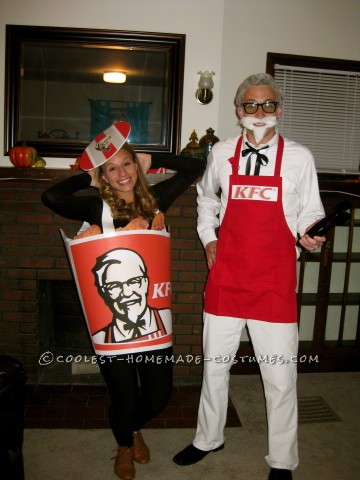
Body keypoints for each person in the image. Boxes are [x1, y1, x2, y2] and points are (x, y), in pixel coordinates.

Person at [172, 73, 326, 480]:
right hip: (226, 278)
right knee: (215, 366)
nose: (260, 113)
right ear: (239, 111)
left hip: (274, 283)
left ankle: (282, 459)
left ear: (280, 110)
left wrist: (309, 234)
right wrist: (208, 238)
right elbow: (207, 198)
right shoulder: (221, 154)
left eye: (268, 105)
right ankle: (208, 437)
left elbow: (310, 210)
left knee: (279, 375)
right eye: (251, 105)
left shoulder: (300, 157)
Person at [41, 124, 205, 480]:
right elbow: (52, 198)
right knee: (125, 395)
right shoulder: (94, 206)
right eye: (111, 168)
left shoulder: (156, 200)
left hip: (153, 322)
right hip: (111, 326)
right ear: (103, 175)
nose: (121, 173)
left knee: (159, 396)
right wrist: (89, 178)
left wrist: (150, 159)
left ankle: (129, 429)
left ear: (137, 166)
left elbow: (194, 167)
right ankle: (125, 447)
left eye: (127, 164)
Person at [91, 247, 171, 344]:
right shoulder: (100, 339)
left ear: (146, 283)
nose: (127, 293)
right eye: (114, 285)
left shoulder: (166, 318)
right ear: (104, 292)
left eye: (134, 281)